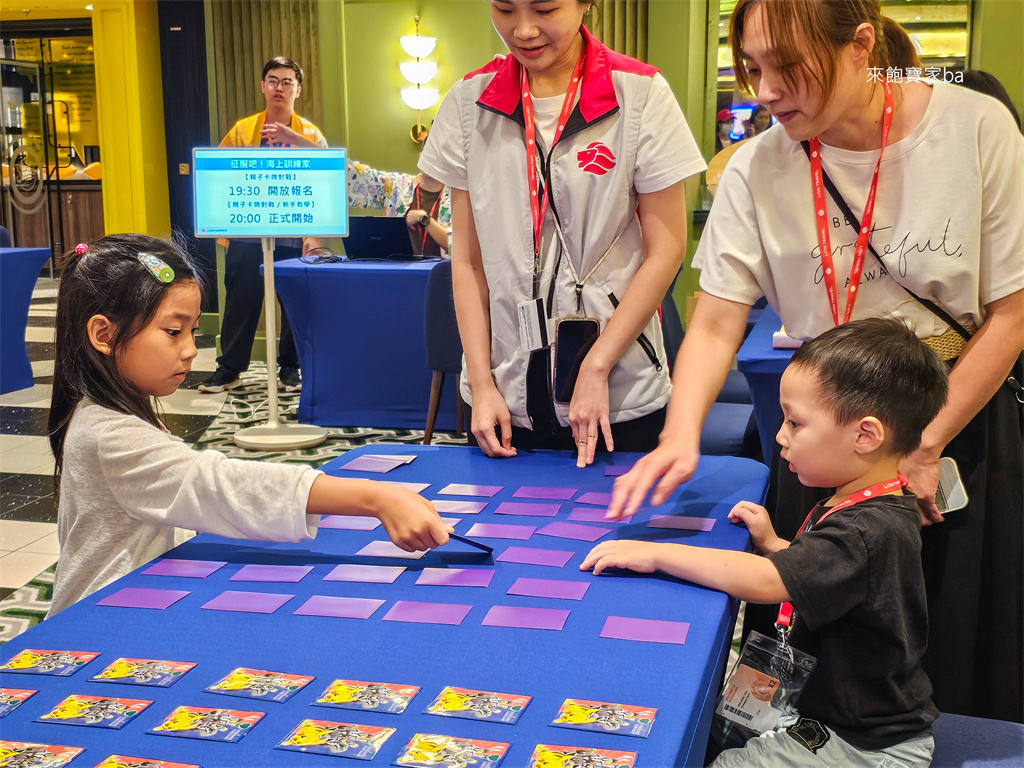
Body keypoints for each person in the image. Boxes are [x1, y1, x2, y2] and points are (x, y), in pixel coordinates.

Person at [606, 0, 1024, 722]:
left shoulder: (974, 126)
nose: (764, 90)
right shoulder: (757, 167)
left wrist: (923, 446)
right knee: (805, 652)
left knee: (946, 650)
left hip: (953, 427)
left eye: (787, 68)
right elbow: (713, 319)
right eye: (751, 67)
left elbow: (1012, 314)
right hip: (826, 444)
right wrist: (681, 433)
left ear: (862, 45)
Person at [584, 318, 948, 767]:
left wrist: (656, 552)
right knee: (697, 725)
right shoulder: (865, 498)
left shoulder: (866, 529)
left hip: (860, 743)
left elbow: (768, 583)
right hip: (820, 710)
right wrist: (775, 542)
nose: (779, 436)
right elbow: (829, 577)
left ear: (866, 436)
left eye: (795, 423)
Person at [47, 235, 451, 615]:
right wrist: (374, 498)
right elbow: (216, 483)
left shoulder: (107, 411)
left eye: (191, 331)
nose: (189, 350)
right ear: (103, 333)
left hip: (131, 600)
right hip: (97, 618)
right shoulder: (109, 434)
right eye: (173, 332)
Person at [419, 0, 706, 468]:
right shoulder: (469, 102)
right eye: (504, 9)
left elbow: (667, 248)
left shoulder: (639, 93)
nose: (524, 29)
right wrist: (482, 383)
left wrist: (597, 364)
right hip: (503, 394)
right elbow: (467, 261)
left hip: (615, 388)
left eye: (546, 8)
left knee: (613, 536)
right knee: (502, 531)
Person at [199, 56, 328, 395]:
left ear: (298, 90)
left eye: (287, 82)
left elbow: (324, 183)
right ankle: (229, 368)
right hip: (246, 231)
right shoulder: (242, 131)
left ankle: (290, 367)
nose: (279, 87)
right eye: (273, 80)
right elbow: (222, 179)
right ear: (262, 86)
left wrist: (313, 235)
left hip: (293, 232)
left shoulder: (310, 134)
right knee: (241, 300)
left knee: (295, 303)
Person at [347, 160, 452, 257]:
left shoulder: (457, 197)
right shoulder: (397, 186)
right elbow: (360, 176)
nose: (431, 160)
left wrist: (425, 219)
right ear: (421, 156)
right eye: (428, 154)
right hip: (397, 271)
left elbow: (456, 245)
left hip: (439, 273)